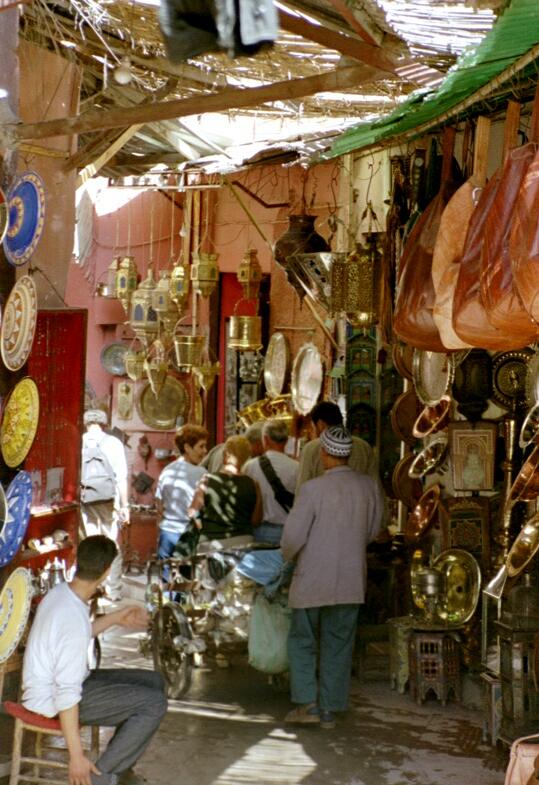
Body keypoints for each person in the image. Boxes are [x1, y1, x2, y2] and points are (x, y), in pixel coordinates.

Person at [22, 535, 167, 785]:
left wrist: (116, 617)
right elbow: (67, 694)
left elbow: (79, 634)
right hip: (51, 700)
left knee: (154, 681)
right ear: (108, 570)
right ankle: (100, 775)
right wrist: (76, 757)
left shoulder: (63, 594)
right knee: (153, 703)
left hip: (59, 685)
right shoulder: (69, 615)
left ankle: (120, 768)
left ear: (77, 561)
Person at [282, 425, 383, 730]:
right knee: (339, 643)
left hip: (312, 577)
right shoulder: (369, 487)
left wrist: (286, 558)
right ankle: (329, 710)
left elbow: (293, 538)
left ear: (324, 454)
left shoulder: (313, 489)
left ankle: (307, 705)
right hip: (351, 578)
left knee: (303, 641)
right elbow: (374, 531)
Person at [81, 409, 129, 603]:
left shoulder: (80, 441)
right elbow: (121, 477)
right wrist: (125, 505)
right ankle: (113, 589)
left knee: (91, 541)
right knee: (111, 542)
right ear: (104, 423)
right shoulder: (113, 443)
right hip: (109, 500)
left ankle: (92, 587)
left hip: (86, 498)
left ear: (86, 423)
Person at [188, 435, 262, 545]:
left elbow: (192, 512)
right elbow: (256, 520)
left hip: (211, 541)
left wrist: (201, 529)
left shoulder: (207, 480)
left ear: (226, 454)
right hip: (243, 542)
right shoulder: (253, 484)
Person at [155, 424, 208, 561]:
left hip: (167, 533)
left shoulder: (167, 470)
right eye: (201, 446)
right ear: (187, 448)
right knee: (187, 580)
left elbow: (159, 505)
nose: (205, 451)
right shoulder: (202, 473)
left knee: (165, 577)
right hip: (188, 534)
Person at [243, 418, 298, 545]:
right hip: (288, 531)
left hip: (259, 531)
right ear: (286, 440)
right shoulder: (296, 467)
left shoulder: (250, 466)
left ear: (266, 439)